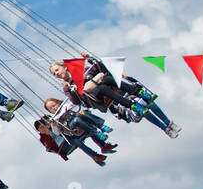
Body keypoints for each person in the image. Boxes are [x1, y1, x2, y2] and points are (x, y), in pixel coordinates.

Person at [50, 54, 180, 136]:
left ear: (64, 67)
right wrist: (67, 89)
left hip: (114, 87)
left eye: (57, 70)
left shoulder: (81, 70)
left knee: (149, 103)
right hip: (106, 99)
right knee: (141, 108)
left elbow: (100, 67)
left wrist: (88, 59)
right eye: (54, 74)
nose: (56, 73)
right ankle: (164, 127)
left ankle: (167, 123)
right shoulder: (68, 86)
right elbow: (77, 102)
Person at [43, 98, 117, 154]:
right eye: (51, 108)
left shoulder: (65, 106)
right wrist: (53, 125)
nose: (54, 108)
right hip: (71, 128)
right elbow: (57, 133)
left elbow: (75, 103)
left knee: (82, 114)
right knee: (78, 119)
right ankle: (97, 132)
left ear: (58, 103)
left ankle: (101, 129)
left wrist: (73, 96)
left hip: (79, 120)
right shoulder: (55, 118)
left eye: (54, 105)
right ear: (50, 111)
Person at [36, 118, 107, 165]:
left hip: (68, 139)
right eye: (40, 128)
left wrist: (52, 126)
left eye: (43, 126)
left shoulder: (52, 128)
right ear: (39, 130)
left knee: (86, 130)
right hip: (62, 147)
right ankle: (95, 156)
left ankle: (103, 146)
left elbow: (60, 131)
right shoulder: (43, 138)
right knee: (77, 142)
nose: (43, 129)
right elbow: (49, 146)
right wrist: (47, 134)